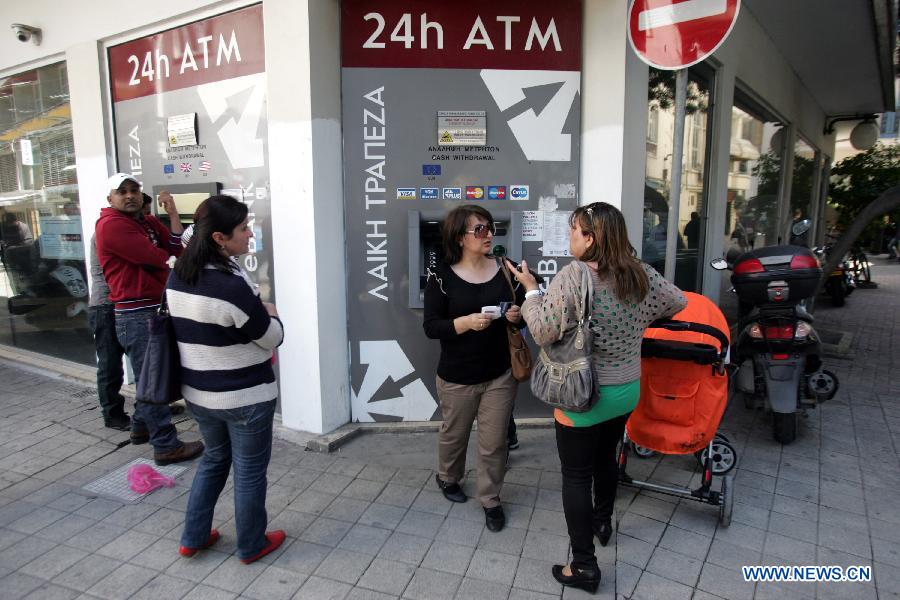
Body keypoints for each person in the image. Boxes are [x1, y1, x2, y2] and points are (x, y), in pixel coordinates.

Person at [508, 202, 686, 593]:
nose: (570, 237)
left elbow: (541, 331)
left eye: (574, 230)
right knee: (607, 458)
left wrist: (531, 290)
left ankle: (584, 566)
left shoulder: (572, 278)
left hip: (582, 393)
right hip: (626, 392)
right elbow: (678, 302)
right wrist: (635, 322)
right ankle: (603, 522)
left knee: (575, 476)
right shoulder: (640, 274)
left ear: (591, 238)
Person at [168, 195, 285, 563]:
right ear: (219, 237)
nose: (250, 234)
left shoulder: (179, 274)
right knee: (249, 474)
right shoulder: (229, 286)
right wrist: (273, 313)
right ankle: (251, 545)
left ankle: (194, 536)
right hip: (245, 397)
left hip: (200, 396)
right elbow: (271, 336)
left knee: (214, 461)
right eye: (244, 229)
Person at [423, 205, 525, 533]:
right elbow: (431, 327)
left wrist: (515, 315)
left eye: (490, 227)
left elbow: (524, 305)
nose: (489, 234)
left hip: (500, 373)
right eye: (479, 230)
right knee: (455, 435)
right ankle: (448, 477)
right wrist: (464, 323)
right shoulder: (441, 277)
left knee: (494, 442)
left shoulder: (506, 270)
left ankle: (491, 499)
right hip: (457, 375)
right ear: (460, 237)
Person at [95, 173, 203, 465]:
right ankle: (166, 445)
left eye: (134, 190)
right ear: (110, 198)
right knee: (153, 379)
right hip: (135, 314)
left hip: (152, 309)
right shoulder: (112, 225)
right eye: (122, 192)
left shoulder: (144, 221)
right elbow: (160, 257)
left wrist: (170, 213)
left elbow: (176, 244)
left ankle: (142, 426)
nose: (129, 195)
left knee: (151, 377)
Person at [87, 233, 129, 430]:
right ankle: (112, 415)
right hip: (106, 306)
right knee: (110, 363)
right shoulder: (107, 232)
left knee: (144, 362)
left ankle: (150, 407)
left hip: (122, 304)